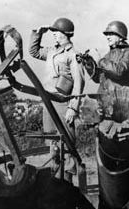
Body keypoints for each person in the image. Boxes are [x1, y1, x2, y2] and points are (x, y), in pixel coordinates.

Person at [29, 18, 84, 183]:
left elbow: (79, 83)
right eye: (53, 32)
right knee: (52, 144)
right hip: (49, 102)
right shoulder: (52, 51)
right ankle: (55, 183)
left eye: (56, 32)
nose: (53, 35)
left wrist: (73, 108)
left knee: (66, 145)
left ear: (65, 34)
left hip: (63, 104)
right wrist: (38, 33)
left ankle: (66, 185)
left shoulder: (73, 55)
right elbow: (34, 52)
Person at [81, 20, 129, 89]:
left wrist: (100, 60)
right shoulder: (108, 55)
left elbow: (120, 72)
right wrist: (89, 63)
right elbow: (98, 79)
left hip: (120, 97)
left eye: (111, 34)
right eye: (107, 35)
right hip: (104, 97)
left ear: (120, 37)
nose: (108, 37)